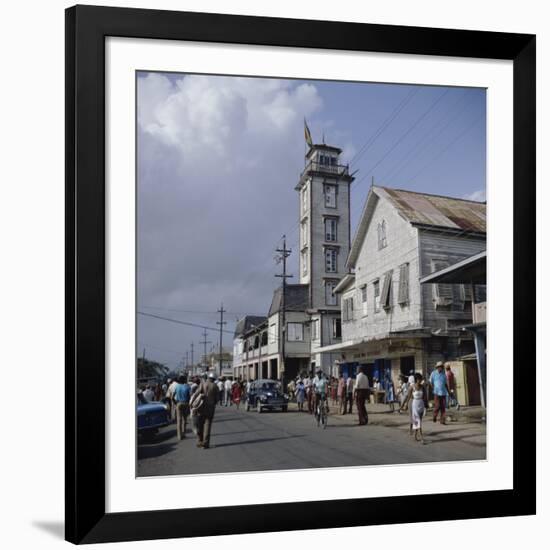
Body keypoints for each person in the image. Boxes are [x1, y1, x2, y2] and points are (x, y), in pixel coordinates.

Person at [401, 372, 427, 443]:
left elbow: (425, 397)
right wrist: (406, 405)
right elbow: (408, 397)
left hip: (421, 404)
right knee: (417, 420)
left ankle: (415, 435)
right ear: (416, 379)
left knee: (419, 421)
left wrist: (426, 405)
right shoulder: (412, 387)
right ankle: (421, 437)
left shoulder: (422, 387)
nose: (420, 380)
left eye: (421, 379)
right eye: (419, 379)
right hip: (415, 404)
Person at [196, 372, 219, 449]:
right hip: (210, 408)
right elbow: (217, 399)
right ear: (214, 379)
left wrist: (193, 403)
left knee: (200, 424)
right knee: (208, 425)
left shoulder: (203, 384)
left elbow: (196, 393)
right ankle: (205, 443)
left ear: (208, 377)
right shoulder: (215, 386)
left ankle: (200, 441)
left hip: (201, 407)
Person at [173, 375, 191, 440]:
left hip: (179, 403)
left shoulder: (177, 387)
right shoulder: (187, 387)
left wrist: (175, 403)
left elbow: (172, 396)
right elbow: (190, 395)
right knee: (184, 420)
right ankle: (183, 433)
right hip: (186, 403)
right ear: (184, 380)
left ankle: (179, 436)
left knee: (179, 420)